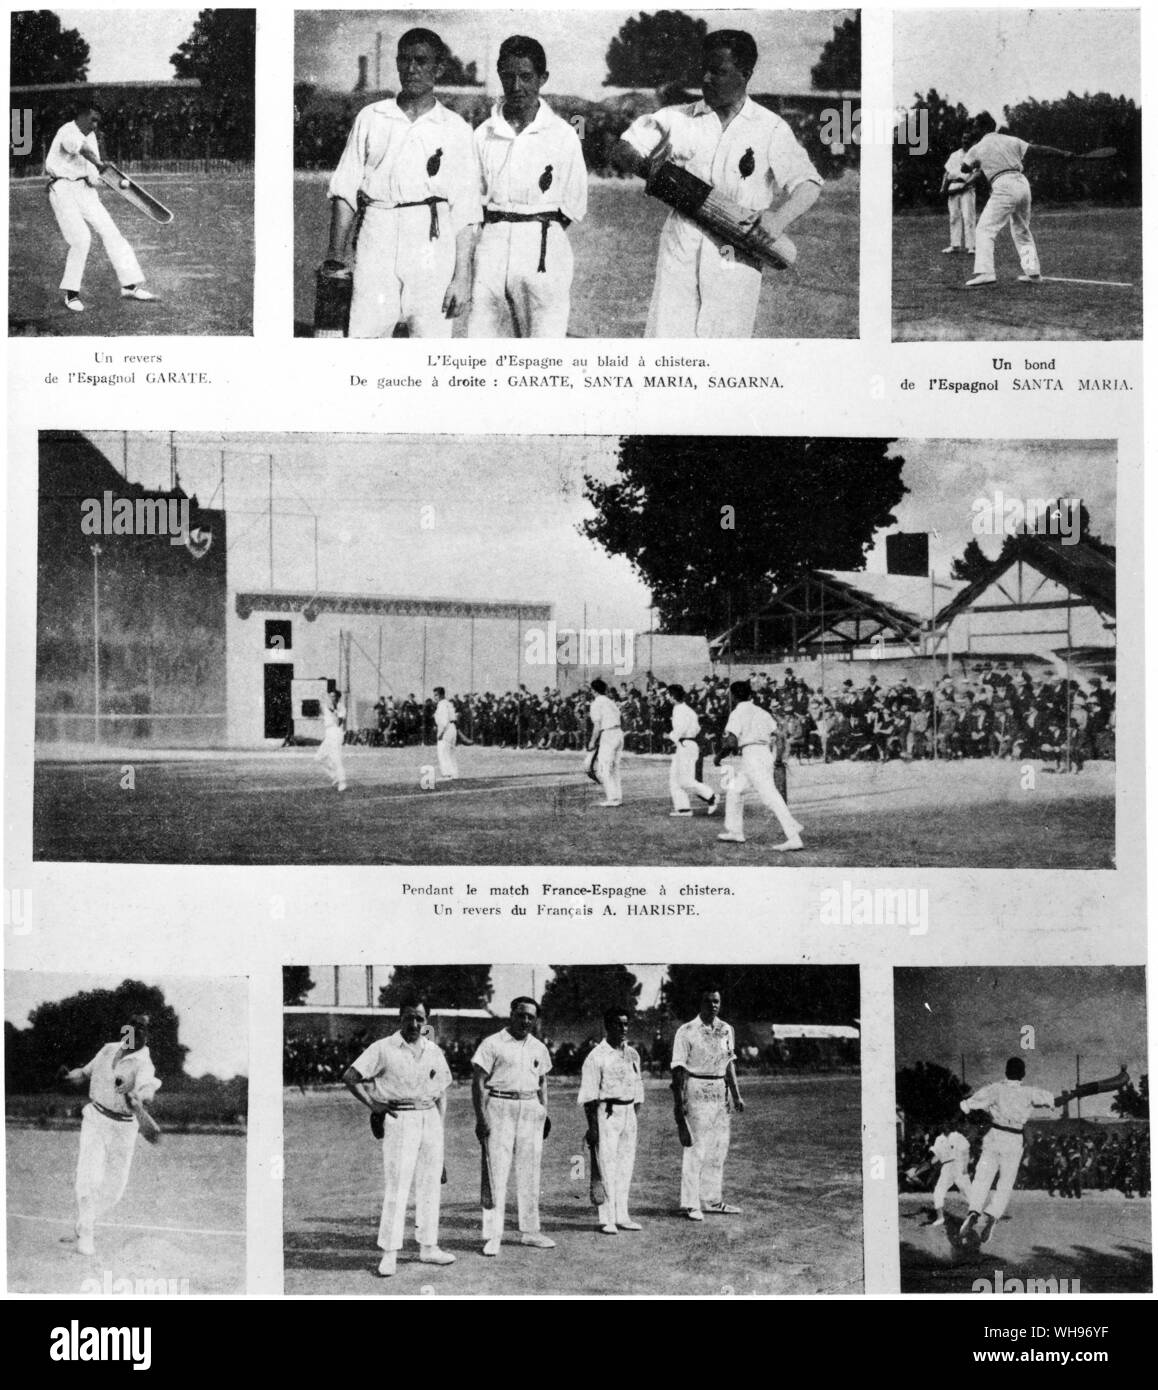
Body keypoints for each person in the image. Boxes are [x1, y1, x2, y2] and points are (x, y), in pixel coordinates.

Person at [614, 29, 821, 337]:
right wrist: (648, 168)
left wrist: (779, 218)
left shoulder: (770, 128)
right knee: (668, 346)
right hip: (681, 243)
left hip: (735, 250)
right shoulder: (678, 117)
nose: (707, 79)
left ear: (745, 74)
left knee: (725, 350)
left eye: (719, 72)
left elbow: (808, 184)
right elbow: (623, 148)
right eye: (704, 70)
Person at [325, 28, 480, 336]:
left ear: (438, 68)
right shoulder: (371, 117)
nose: (411, 68)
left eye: (421, 61)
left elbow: (466, 212)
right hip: (377, 234)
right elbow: (345, 191)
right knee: (365, 336)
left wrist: (462, 277)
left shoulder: (456, 128)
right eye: (404, 60)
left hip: (432, 242)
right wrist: (334, 257)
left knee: (431, 339)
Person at [467, 35, 587, 337]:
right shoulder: (483, 134)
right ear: (499, 77)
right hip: (491, 246)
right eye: (508, 76)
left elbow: (573, 204)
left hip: (543, 249)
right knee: (483, 343)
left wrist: (532, 228)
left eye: (526, 76)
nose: (516, 86)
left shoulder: (563, 135)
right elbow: (470, 198)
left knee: (544, 348)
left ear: (542, 78)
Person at [343, 1000, 455, 1276]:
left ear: (426, 1019)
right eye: (408, 1018)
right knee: (398, 1187)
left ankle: (428, 1247)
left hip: (429, 1118)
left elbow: (441, 1091)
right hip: (399, 1119)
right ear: (399, 1019)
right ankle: (390, 1253)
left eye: (419, 1018)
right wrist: (373, 1105)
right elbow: (350, 1076)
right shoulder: (383, 1047)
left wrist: (438, 1127)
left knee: (430, 1185)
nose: (414, 1025)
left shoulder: (433, 1050)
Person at [61, 1014, 161, 1256]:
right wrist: (69, 1076)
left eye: (141, 1030)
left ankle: (86, 1220)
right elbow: (84, 1073)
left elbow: (147, 1089)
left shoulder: (143, 1063)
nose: (135, 1033)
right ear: (125, 1029)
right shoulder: (108, 1050)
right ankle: (86, 1234)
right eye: (131, 1028)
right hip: (95, 1118)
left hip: (124, 1128)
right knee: (90, 1177)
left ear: (146, 1035)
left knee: (115, 1190)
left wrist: (140, 1100)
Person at [45, 105, 157, 313]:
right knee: (81, 239)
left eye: (98, 121)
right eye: (92, 120)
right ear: (81, 115)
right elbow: (81, 150)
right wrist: (99, 163)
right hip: (62, 189)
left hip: (85, 191)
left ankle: (130, 286)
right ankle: (71, 294)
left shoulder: (92, 136)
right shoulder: (67, 131)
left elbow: (93, 174)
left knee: (112, 233)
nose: (95, 125)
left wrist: (108, 178)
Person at [471, 997, 554, 1256]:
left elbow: (542, 1082)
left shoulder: (539, 1047)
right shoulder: (492, 1043)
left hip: (530, 1109)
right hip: (499, 1107)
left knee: (530, 1172)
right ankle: (493, 1236)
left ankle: (530, 1232)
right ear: (511, 1014)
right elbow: (479, 1082)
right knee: (497, 1172)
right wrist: (481, 1117)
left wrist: (544, 1111)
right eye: (521, 1015)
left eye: (531, 1016)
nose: (526, 1021)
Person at [959, 112, 1076, 288]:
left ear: (982, 128)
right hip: (1022, 184)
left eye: (975, 125)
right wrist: (1064, 154)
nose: (973, 129)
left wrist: (977, 162)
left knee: (984, 229)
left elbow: (963, 168)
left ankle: (986, 273)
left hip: (1003, 185)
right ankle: (1033, 273)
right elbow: (1039, 150)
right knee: (1022, 230)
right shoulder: (1011, 139)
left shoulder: (977, 147)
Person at [958, 1057, 1059, 1244]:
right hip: (1014, 1139)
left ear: (1006, 1072)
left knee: (982, 1176)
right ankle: (993, 1213)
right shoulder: (1029, 1092)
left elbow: (967, 1105)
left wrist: (968, 1105)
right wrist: (1054, 1101)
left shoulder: (994, 1089)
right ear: (1023, 1074)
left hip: (995, 1135)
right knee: (1006, 1181)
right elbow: (1052, 1099)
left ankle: (974, 1211)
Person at [671, 989, 744, 1220]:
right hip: (696, 1088)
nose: (713, 1005)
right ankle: (691, 1203)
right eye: (708, 1001)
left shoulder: (726, 1029)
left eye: (717, 1001)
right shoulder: (686, 1031)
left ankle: (712, 1200)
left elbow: (729, 1063)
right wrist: (679, 1102)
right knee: (696, 1148)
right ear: (700, 1002)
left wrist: (736, 1094)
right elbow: (678, 1068)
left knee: (718, 1149)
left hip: (720, 1091)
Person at [578, 1008, 645, 1234]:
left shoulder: (633, 1054)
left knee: (626, 1165)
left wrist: (632, 1114)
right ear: (608, 1026)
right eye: (618, 1024)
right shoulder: (596, 1056)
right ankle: (606, 1217)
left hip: (628, 1113)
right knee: (606, 1165)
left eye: (626, 1024)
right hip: (606, 1113)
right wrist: (593, 1128)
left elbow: (638, 1088)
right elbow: (589, 1096)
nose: (623, 1029)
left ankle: (622, 1215)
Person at [715, 680, 803, 850]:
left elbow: (731, 742)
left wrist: (718, 757)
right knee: (735, 790)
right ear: (750, 695)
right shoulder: (762, 712)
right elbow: (780, 735)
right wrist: (778, 758)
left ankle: (794, 836)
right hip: (763, 753)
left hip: (751, 755)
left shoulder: (736, 713)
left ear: (733, 696)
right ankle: (735, 832)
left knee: (770, 796)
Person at [666, 683, 718, 817]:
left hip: (686, 745)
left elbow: (681, 729)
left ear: (672, 696)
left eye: (668, 694)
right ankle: (683, 808)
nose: (666, 697)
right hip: (685, 745)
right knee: (674, 778)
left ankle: (711, 796)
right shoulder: (686, 709)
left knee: (685, 780)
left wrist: (670, 736)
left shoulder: (679, 710)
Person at [929, 1117, 973, 1226]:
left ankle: (976, 1216)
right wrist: (929, 1162)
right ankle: (940, 1218)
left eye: (947, 1125)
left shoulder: (958, 1136)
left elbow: (966, 1153)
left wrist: (965, 1168)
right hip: (946, 1167)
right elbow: (936, 1157)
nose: (945, 1127)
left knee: (967, 1191)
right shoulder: (939, 1139)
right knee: (938, 1190)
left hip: (958, 1164)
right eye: (943, 1125)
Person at [587, 678, 624, 807]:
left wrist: (592, 741)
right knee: (614, 767)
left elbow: (597, 725)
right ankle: (617, 797)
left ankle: (612, 798)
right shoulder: (611, 702)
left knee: (604, 768)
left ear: (593, 691)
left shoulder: (596, 703)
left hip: (608, 734)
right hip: (618, 733)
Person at [939, 135, 976, 255]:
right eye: (963, 138)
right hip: (953, 187)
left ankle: (971, 246)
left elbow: (977, 174)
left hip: (967, 187)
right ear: (961, 140)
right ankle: (955, 245)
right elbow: (947, 172)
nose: (965, 140)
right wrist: (943, 188)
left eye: (968, 138)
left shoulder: (975, 154)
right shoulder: (954, 155)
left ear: (972, 140)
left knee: (968, 216)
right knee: (954, 216)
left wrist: (965, 185)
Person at [315, 686, 348, 792]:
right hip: (328, 732)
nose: (332, 698)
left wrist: (334, 711)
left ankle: (342, 781)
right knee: (318, 758)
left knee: (336, 757)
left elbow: (339, 723)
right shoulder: (326, 706)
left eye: (334, 696)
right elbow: (320, 707)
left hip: (336, 732)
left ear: (338, 697)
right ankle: (335, 776)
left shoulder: (341, 707)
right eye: (331, 696)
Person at [433, 686, 458, 780]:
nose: (435, 697)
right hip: (452, 728)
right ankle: (454, 774)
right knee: (451, 752)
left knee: (443, 752)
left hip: (446, 729)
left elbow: (443, 721)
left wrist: (440, 733)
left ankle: (446, 774)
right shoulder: (449, 703)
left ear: (441, 695)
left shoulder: (442, 704)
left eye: (436, 695)